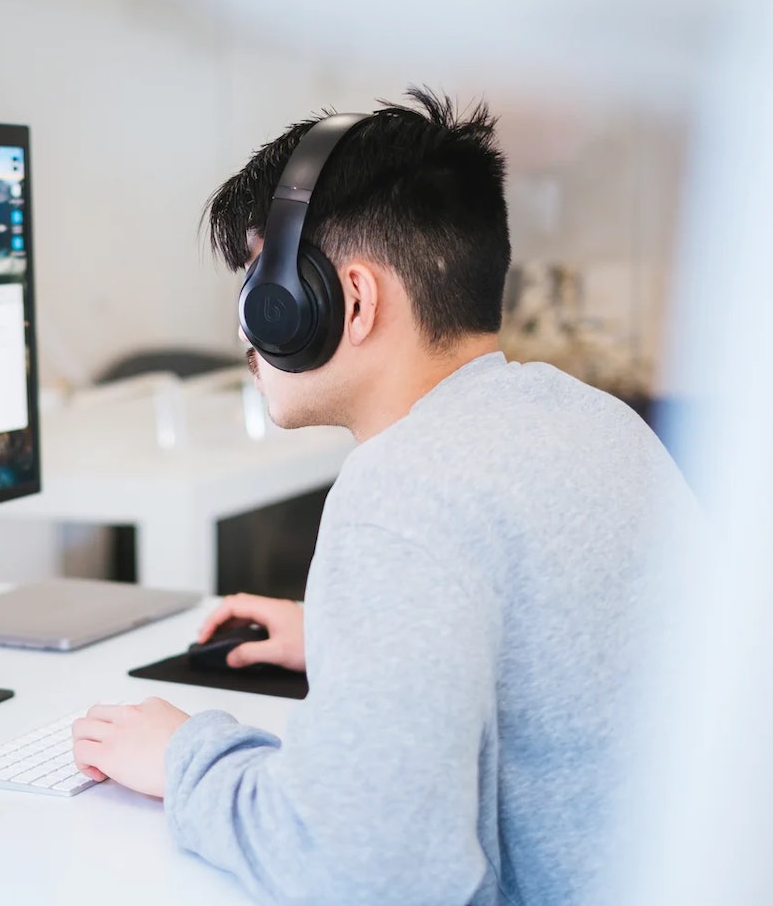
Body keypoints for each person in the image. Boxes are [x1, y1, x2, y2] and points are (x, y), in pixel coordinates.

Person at [70, 89, 699, 905]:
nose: (247, 333)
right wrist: (350, 629)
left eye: (259, 289)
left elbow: (367, 869)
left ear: (349, 301)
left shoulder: (406, 492)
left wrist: (186, 754)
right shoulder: (588, 419)